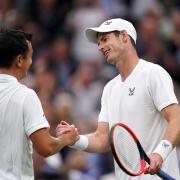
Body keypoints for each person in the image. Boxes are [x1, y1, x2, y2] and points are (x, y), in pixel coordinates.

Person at [56, 18, 180, 179]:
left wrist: (159, 154)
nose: (100, 46)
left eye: (105, 39)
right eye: (99, 42)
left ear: (124, 36)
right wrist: (75, 140)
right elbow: (102, 139)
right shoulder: (109, 89)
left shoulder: (153, 74)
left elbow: (176, 118)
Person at [0, 27, 78, 180]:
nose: (31, 62)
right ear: (19, 60)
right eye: (30, 57)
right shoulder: (25, 95)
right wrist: (67, 138)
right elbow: (45, 147)